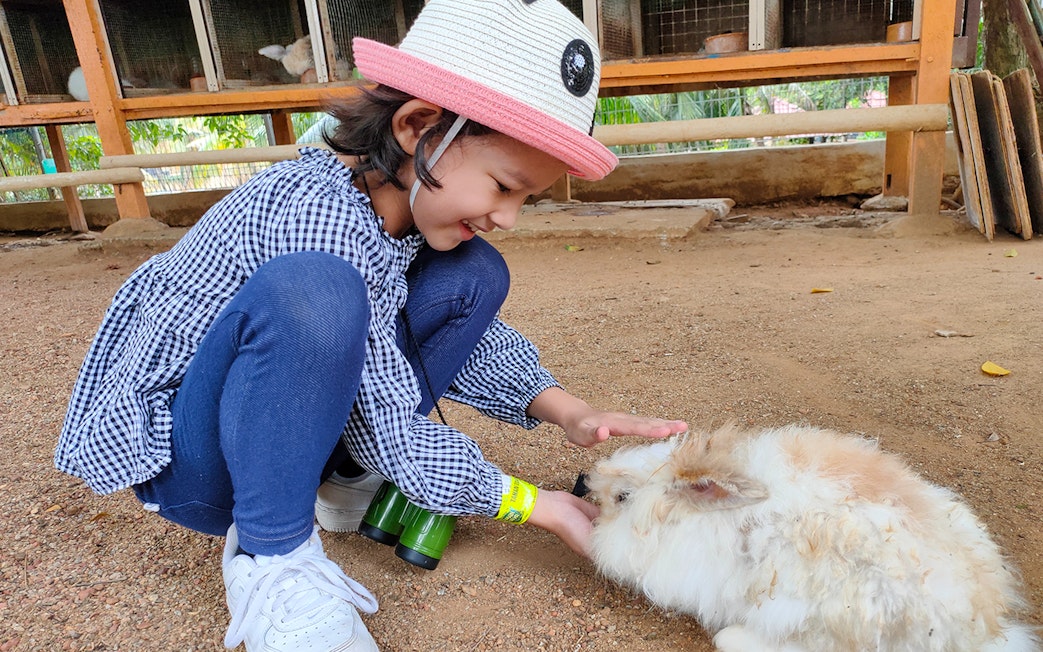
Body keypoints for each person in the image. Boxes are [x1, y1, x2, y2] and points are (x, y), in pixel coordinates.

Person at [54, 1, 689, 650]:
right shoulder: (317, 218)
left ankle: (340, 479)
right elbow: (383, 410)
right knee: (318, 289)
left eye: (524, 198)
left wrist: (567, 410)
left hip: (281, 418)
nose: (510, 216)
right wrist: (536, 505)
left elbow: (414, 333)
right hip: (199, 466)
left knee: (475, 274)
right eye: (503, 186)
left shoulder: (397, 213)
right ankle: (271, 558)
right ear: (418, 126)